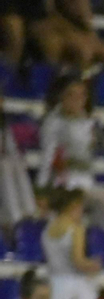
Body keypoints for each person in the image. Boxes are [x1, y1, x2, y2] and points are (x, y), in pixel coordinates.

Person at [36, 74, 104, 230]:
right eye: (72, 94)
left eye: (82, 94)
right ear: (61, 97)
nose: (78, 99)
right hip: (65, 185)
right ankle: (89, 244)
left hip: (87, 183)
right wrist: (41, 193)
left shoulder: (87, 122)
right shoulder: (54, 123)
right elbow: (47, 158)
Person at [41, 187, 101, 299]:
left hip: (52, 282)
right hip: (73, 286)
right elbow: (78, 262)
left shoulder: (47, 229)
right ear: (74, 205)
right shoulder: (76, 229)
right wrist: (93, 264)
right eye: (81, 207)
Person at [0, 92, 37, 232]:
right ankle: (16, 217)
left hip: (4, 165)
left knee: (17, 161)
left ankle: (29, 210)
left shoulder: (4, 125)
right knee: (5, 165)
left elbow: (11, 149)